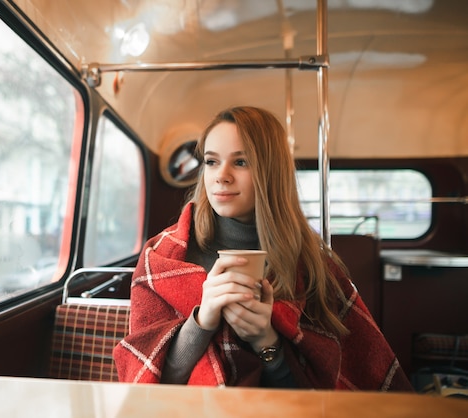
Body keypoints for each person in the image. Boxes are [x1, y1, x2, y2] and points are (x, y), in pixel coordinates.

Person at [112, 106, 413, 391]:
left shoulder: (311, 265)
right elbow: (147, 382)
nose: (221, 175)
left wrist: (266, 342)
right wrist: (202, 322)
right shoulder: (162, 256)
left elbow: (317, 396)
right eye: (212, 161)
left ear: (271, 172)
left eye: (240, 162)